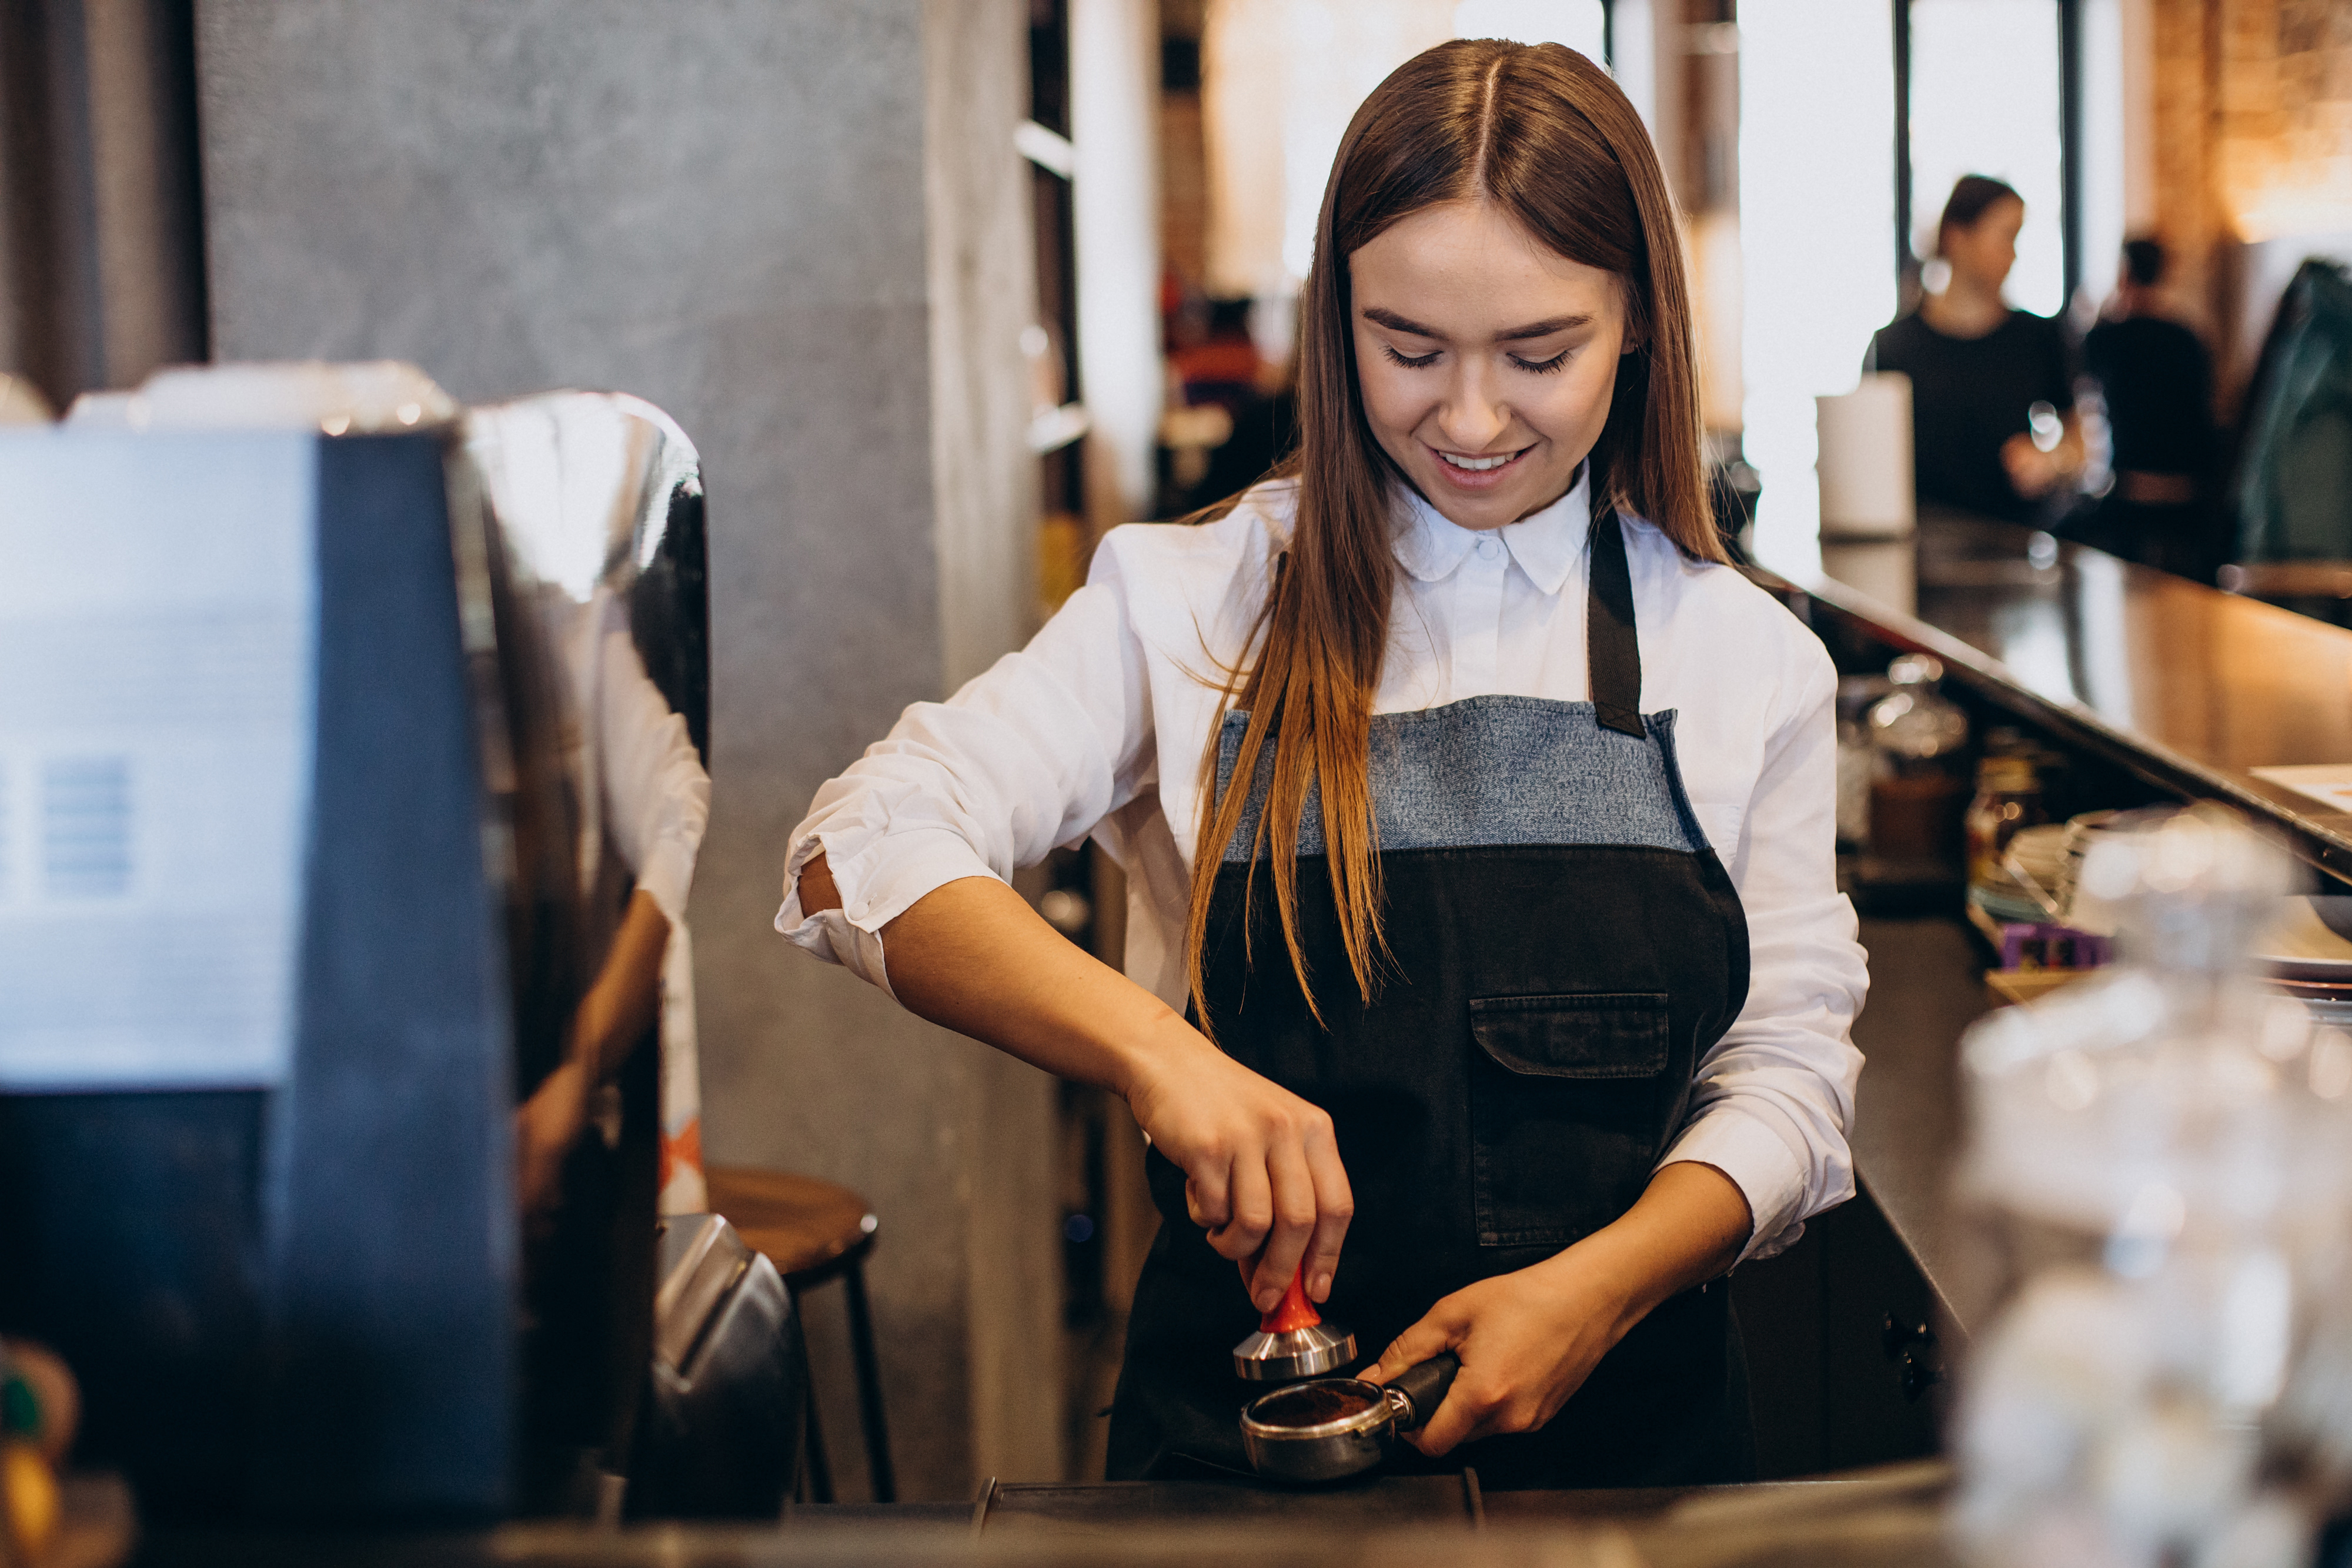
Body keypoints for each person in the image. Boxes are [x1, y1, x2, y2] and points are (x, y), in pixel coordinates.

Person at [777, 39, 1866, 1488]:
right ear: (1333, 320)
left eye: (1539, 355)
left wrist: (1597, 1288)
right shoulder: (1191, 601)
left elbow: (1788, 1081)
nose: (1469, 421)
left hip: (1629, 1459)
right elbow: (849, 848)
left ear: (1638, 329)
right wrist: (1156, 1055)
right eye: (1406, 348)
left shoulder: (1742, 660)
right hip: (1237, 1461)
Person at [1870, 175, 2082, 523]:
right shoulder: (1895, 345)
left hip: (2016, 543)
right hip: (1920, 545)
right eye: (2006, 237)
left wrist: (2051, 462)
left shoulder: (2038, 337)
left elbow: (2080, 443)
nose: (2013, 254)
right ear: (1957, 238)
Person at [2082, 238, 2221, 580]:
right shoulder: (2192, 339)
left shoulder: (2106, 338)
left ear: (2124, 274)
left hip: (2131, 500)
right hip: (2193, 502)